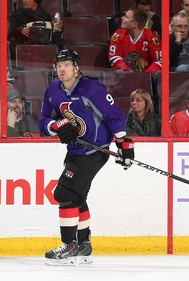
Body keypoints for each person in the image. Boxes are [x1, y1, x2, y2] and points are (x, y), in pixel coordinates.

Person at [39, 49, 135, 265]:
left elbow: (114, 115)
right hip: (74, 151)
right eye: (59, 65)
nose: (62, 69)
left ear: (76, 68)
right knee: (77, 197)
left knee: (64, 193)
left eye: (67, 65)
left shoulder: (91, 89)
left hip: (95, 151)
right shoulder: (53, 90)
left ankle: (69, 245)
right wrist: (55, 126)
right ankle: (83, 245)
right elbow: (44, 119)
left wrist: (123, 142)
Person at [108, 7, 162, 74]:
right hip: (126, 74)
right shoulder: (118, 35)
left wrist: (146, 74)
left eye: (126, 17)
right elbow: (114, 57)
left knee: (159, 74)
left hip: (148, 76)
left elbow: (160, 61)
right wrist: (127, 71)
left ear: (134, 24)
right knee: (120, 73)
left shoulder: (152, 37)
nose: (122, 18)